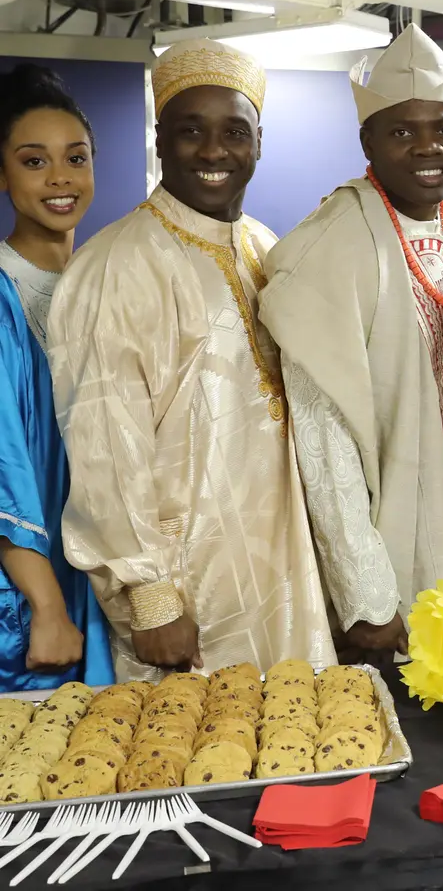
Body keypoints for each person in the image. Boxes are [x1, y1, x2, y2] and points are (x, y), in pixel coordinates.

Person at [46, 40, 335, 679]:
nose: (213, 151)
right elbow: (103, 444)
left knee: (293, 745)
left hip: (281, 573)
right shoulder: (117, 265)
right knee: (195, 758)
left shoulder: (265, 247)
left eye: (234, 132)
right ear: (158, 140)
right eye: (190, 132)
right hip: (187, 588)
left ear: (260, 142)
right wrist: (148, 597)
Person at [259, 24, 443, 664]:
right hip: (386, 540)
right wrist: (365, 594)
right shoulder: (327, 247)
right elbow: (321, 434)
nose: (428, 147)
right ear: (367, 140)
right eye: (402, 131)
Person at [0, 64, 112, 690]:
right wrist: (45, 606)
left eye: (76, 157)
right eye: (34, 162)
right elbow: (4, 467)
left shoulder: (104, 282)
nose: (61, 178)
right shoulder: (1, 299)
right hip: (30, 592)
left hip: (101, 576)